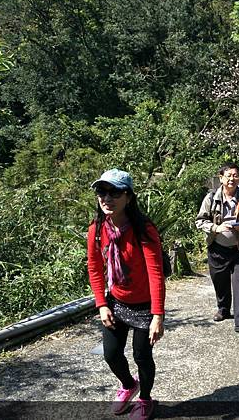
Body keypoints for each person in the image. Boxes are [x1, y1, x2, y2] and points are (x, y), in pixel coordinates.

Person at [87, 169, 165, 420]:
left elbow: (155, 273)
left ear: (128, 197)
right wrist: (101, 304)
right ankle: (128, 385)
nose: (106, 198)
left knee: (142, 355)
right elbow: (94, 267)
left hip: (144, 305)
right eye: (102, 192)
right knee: (111, 353)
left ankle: (145, 399)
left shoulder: (144, 229)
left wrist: (157, 316)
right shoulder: (97, 229)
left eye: (114, 192)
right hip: (116, 301)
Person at [196, 163, 239, 333]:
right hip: (217, 247)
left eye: (235, 175)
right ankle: (223, 308)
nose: (232, 179)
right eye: (228, 175)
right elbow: (200, 221)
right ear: (221, 178)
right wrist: (215, 228)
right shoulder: (211, 198)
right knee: (220, 280)